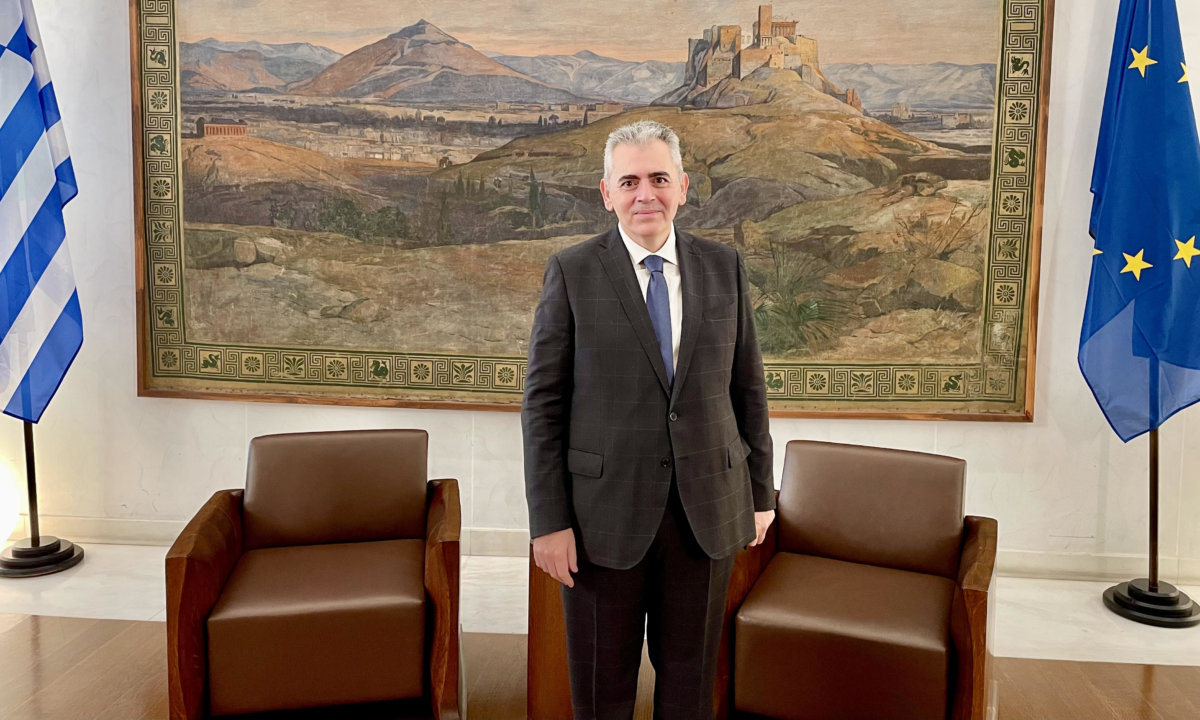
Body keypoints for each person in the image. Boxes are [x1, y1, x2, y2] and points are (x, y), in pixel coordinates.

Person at [522, 119, 775, 720]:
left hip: (705, 514)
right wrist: (549, 522)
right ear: (606, 193)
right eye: (629, 181)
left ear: (683, 187)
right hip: (599, 522)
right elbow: (543, 405)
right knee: (600, 691)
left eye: (659, 179)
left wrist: (760, 495)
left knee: (689, 689)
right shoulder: (573, 271)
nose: (645, 195)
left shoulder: (724, 267)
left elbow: (748, 387)